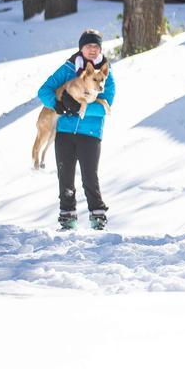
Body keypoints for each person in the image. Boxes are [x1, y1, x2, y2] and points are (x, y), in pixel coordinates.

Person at [38, 30, 116, 231]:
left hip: (90, 134)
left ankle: (98, 217)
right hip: (64, 131)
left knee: (90, 176)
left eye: (96, 47)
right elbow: (43, 91)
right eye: (89, 46)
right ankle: (67, 218)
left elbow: (105, 106)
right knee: (65, 177)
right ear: (81, 48)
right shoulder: (67, 69)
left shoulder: (105, 75)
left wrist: (81, 107)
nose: (92, 49)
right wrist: (58, 104)